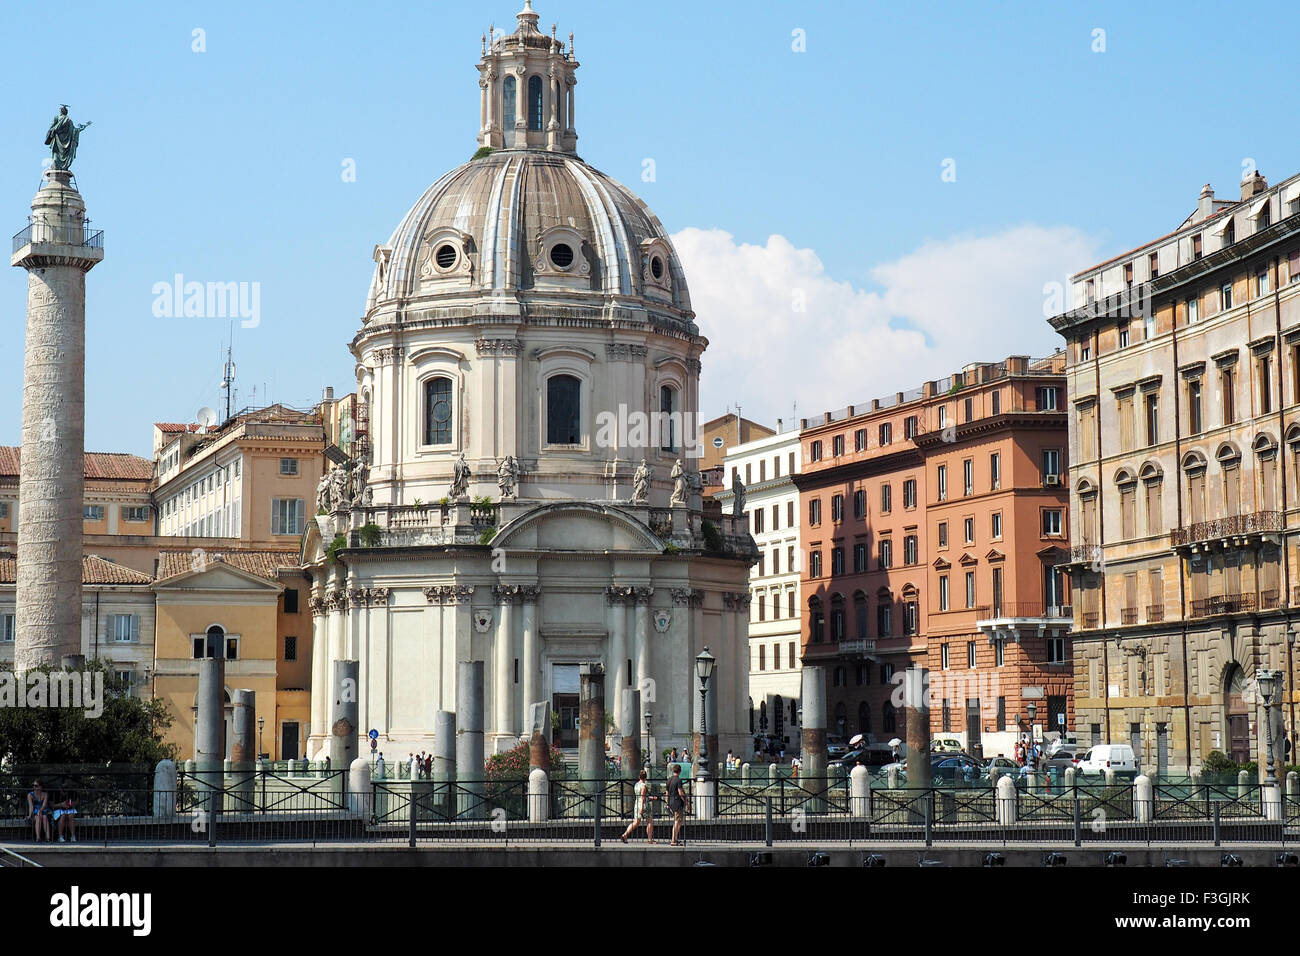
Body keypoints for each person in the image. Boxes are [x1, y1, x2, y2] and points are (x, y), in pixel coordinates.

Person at [620, 769, 656, 844]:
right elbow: (643, 797)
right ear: (645, 777)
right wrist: (642, 808)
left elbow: (640, 796)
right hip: (644, 805)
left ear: (639, 777)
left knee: (636, 822)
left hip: (637, 804)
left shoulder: (636, 785)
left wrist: (652, 798)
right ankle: (650, 839)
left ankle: (625, 834)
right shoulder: (644, 786)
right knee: (649, 821)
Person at [665, 763, 688, 846]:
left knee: (677, 821)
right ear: (680, 771)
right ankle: (673, 840)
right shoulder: (678, 780)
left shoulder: (669, 780)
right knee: (677, 822)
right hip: (677, 802)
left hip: (671, 802)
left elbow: (667, 793)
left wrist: (667, 803)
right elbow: (680, 792)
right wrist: (686, 802)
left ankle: (675, 839)